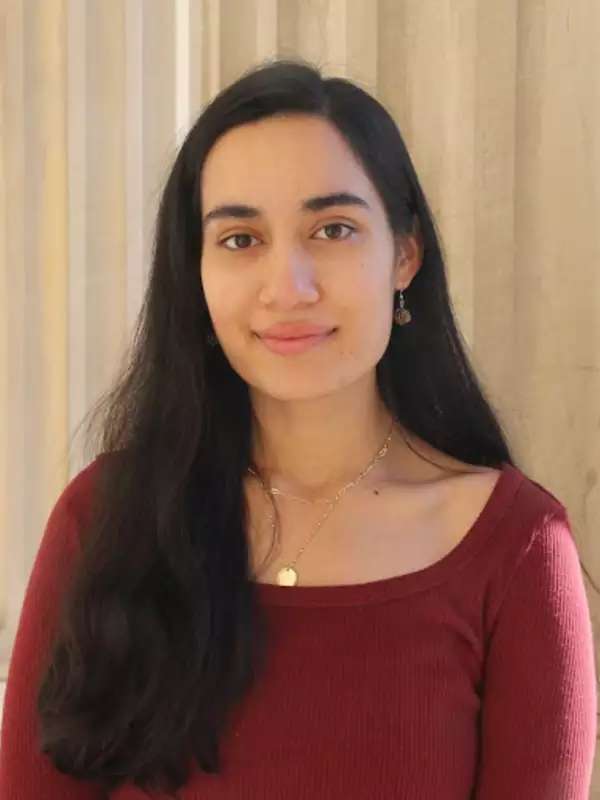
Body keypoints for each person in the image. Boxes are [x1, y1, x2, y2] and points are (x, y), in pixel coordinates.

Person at [0, 57, 596, 799]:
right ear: (197, 273)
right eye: (240, 239)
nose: (289, 287)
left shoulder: (517, 551)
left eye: (333, 228)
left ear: (404, 254)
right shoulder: (106, 520)